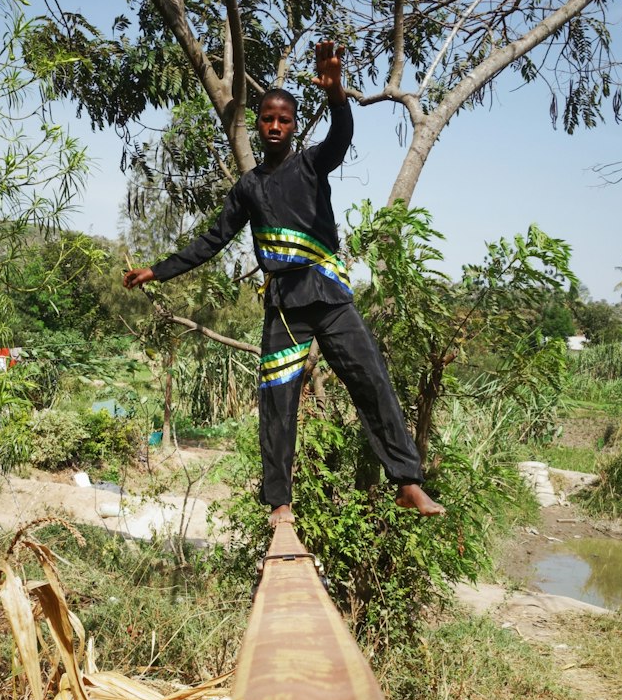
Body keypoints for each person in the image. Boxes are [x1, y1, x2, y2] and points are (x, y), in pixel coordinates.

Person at [123, 42, 444, 527]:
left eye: (284, 120)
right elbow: (213, 240)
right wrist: (158, 270)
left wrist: (336, 92)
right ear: (258, 125)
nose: (274, 127)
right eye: (267, 120)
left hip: (330, 296)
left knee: (371, 380)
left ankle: (408, 482)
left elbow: (341, 135)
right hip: (285, 307)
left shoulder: (313, 165)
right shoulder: (248, 188)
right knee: (277, 403)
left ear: (294, 126)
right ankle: (280, 505)